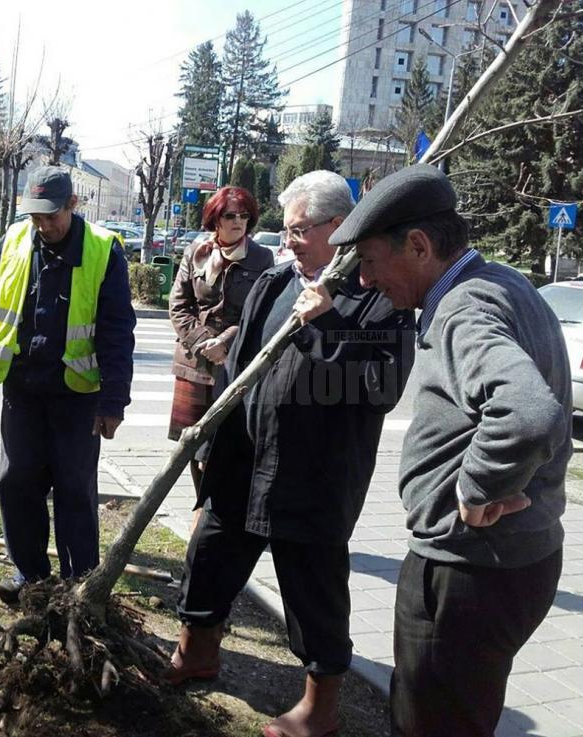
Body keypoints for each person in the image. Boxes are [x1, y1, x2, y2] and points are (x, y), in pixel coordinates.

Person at [167, 170, 415, 737]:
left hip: (313, 480)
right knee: (208, 559)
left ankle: (319, 708)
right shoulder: (274, 284)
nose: (287, 238)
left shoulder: (378, 300)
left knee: (312, 592)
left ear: (339, 227)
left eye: (300, 229)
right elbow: (236, 373)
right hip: (242, 465)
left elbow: (381, 388)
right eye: (286, 227)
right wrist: (211, 435)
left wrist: (324, 321)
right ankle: (195, 652)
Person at [328, 163, 572, 737]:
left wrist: (475, 487)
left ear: (417, 245)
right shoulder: (506, 284)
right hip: (513, 560)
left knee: (429, 723)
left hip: (466, 572)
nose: (364, 280)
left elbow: (529, 412)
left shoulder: (464, 309)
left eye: (368, 259)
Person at [0, 166, 136, 604]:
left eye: (51, 217)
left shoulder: (102, 250)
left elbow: (117, 331)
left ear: (73, 205)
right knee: (16, 480)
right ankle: (30, 574)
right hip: (23, 389)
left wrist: (113, 400)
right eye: (36, 217)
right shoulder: (15, 242)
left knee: (75, 487)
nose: (43, 226)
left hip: (78, 395)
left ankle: (79, 584)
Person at [168, 186, 274, 504]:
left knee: (226, 443)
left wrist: (225, 341)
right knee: (193, 443)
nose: (238, 221)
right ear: (215, 219)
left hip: (235, 362)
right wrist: (203, 342)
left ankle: (218, 511)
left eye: (244, 215)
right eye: (230, 215)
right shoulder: (196, 252)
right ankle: (202, 506)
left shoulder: (262, 257)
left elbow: (261, 312)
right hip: (194, 363)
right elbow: (179, 305)